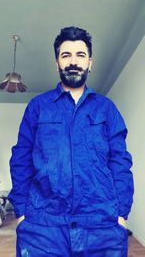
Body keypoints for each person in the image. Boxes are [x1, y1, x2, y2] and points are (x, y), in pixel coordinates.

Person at [8, 26, 134, 257]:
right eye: (66, 55)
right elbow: (21, 158)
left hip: (101, 224)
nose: (73, 61)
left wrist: (121, 214)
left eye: (80, 55)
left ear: (90, 63)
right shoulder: (38, 107)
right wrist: (22, 213)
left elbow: (120, 162)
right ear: (57, 62)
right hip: (43, 226)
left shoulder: (107, 109)